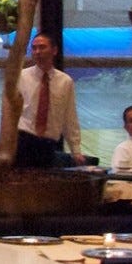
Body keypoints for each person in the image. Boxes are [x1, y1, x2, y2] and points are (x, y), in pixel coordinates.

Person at [13, 33, 81, 168]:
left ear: (54, 50)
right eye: (34, 48)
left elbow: (69, 117)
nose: (37, 52)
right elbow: (10, 112)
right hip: (23, 140)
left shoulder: (65, 82)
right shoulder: (21, 77)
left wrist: (76, 150)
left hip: (49, 143)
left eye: (42, 47)